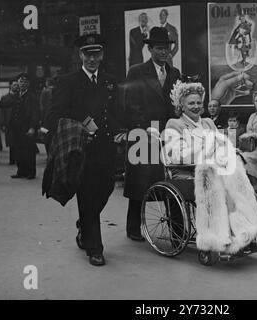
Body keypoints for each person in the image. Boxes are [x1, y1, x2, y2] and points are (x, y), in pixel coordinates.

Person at [45, 34, 125, 266]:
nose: (92, 59)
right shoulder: (67, 81)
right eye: (87, 54)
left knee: (106, 188)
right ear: (80, 55)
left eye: (96, 54)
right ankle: (95, 249)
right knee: (88, 196)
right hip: (82, 150)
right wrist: (82, 122)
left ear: (102, 55)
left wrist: (129, 128)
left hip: (106, 148)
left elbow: (116, 112)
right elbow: (53, 115)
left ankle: (84, 225)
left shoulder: (109, 81)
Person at [163, 80, 257, 254]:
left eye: (198, 103)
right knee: (221, 185)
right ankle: (218, 238)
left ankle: (243, 234)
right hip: (187, 171)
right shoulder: (175, 124)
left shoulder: (208, 123)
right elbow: (177, 155)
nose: (196, 107)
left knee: (234, 177)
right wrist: (206, 151)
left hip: (214, 167)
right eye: (191, 103)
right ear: (182, 105)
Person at [123, 27, 180, 242]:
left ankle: (177, 231)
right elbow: (130, 104)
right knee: (141, 181)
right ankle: (133, 227)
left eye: (167, 48)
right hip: (143, 133)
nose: (164, 52)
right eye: (159, 48)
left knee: (172, 179)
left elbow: (176, 104)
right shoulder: (136, 71)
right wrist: (145, 126)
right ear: (150, 49)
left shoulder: (175, 73)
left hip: (168, 133)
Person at [9, 73, 39, 179]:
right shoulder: (17, 95)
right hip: (17, 128)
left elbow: (35, 114)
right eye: (21, 81)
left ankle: (31, 172)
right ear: (18, 83)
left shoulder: (32, 96)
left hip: (27, 127)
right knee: (19, 150)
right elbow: (7, 104)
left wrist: (32, 128)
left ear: (28, 84)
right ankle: (21, 171)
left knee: (29, 150)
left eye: (25, 82)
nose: (22, 84)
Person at [0, 80, 19, 164]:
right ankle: (12, 159)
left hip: (18, 122)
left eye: (17, 85)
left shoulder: (19, 97)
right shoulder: (5, 97)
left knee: (18, 141)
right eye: (14, 85)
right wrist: (2, 123)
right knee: (11, 142)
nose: (16, 86)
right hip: (8, 122)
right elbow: (2, 111)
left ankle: (18, 159)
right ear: (10, 86)